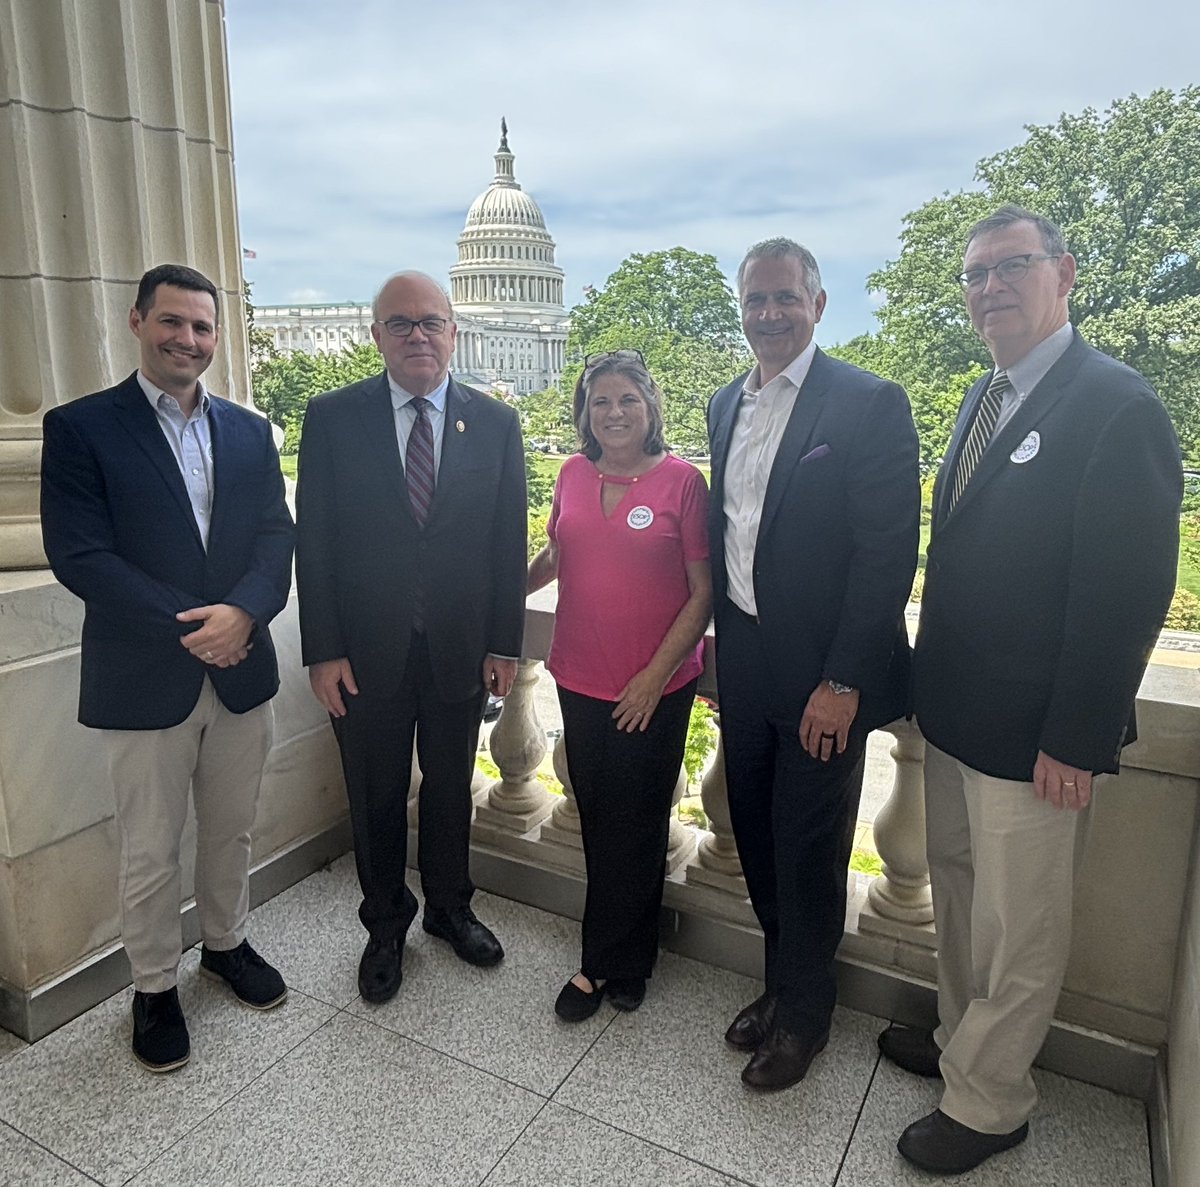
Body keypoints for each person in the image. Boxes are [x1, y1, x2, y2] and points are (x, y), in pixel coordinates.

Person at [879, 205, 1182, 1174]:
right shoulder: (983, 394)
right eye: (975, 274)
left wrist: (1078, 732)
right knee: (962, 897)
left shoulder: (1117, 403)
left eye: (1011, 267)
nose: (990, 288)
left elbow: (1128, 589)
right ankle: (961, 1039)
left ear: (1067, 273)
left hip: (1038, 736)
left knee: (1023, 925)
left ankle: (990, 1099)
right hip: (962, 713)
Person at [40, 264, 295, 1073]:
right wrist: (196, 626)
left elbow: (274, 540)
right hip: (146, 674)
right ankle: (153, 985)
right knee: (150, 848)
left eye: (203, 327)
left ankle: (225, 943)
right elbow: (81, 555)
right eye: (173, 322)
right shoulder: (81, 427)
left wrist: (245, 613)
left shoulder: (251, 431)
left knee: (232, 827)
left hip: (241, 668)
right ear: (137, 321)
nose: (189, 339)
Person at [707, 238, 920, 1091]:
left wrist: (843, 681)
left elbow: (886, 556)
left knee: (808, 846)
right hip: (748, 665)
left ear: (819, 304)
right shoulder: (726, 403)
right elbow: (731, 539)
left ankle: (805, 1015)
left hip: (822, 680)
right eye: (755, 299)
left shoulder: (869, 403)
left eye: (785, 298)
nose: (769, 313)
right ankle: (779, 984)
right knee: (756, 838)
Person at [295, 271, 526, 1005]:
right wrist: (322, 649)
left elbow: (505, 543)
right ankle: (386, 923)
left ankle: (452, 909)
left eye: (431, 322)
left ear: (454, 332)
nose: (418, 335)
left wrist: (506, 643)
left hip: (460, 650)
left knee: (453, 789)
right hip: (364, 655)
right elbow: (317, 543)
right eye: (401, 323)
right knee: (375, 794)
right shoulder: (333, 417)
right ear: (377, 336)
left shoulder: (495, 423)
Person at [528, 351, 712, 1021]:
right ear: (584, 413)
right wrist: (499, 593)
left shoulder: (683, 483)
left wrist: (652, 679)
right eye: (600, 402)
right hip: (578, 676)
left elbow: (702, 594)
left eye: (627, 400)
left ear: (651, 408)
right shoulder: (572, 474)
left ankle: (602, 966)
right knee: (598, 818)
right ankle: (628, 951)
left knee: (637, 824)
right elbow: (556, 553)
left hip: (653, 691)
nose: (613, 412)